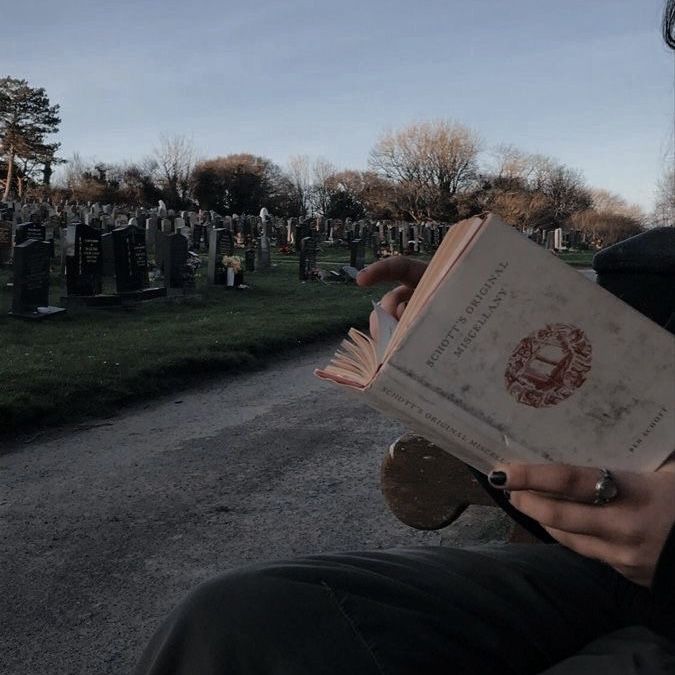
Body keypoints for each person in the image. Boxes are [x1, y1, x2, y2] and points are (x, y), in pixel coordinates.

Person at [135, 8, 675, 674]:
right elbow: (582, 457)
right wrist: (474, 367)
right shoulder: (651, 273)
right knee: (237, 623)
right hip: (595, 576)